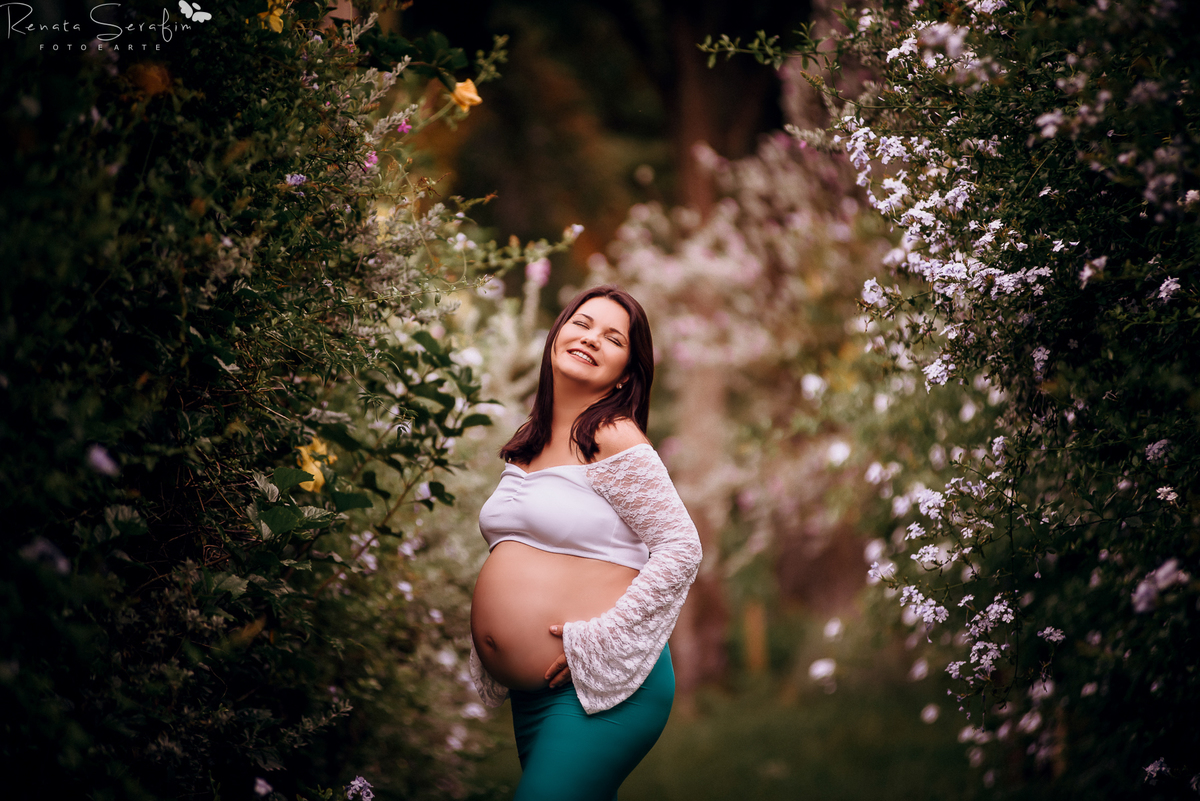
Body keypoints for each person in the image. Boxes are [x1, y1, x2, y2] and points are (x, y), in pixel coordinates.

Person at [469, 285, 702, 801]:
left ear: (625, 372)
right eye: (582, 323)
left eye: (612, 337)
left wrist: (600, 643)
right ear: (557, 334)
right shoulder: (532, 438)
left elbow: (681, 547)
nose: (591, 338)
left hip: (601, 685)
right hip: (537, 696)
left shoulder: (612, 436)